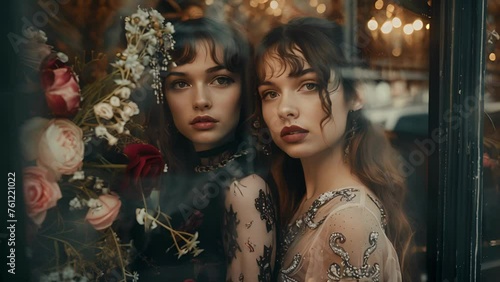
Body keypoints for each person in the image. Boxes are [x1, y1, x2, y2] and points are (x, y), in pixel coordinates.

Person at [254, 17, 413, 281]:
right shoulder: (299, 197)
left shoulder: (350, 222)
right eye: (270, 93)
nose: (284, 109)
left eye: (309, 85)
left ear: (357, 94)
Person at [130, 17, 277, 281]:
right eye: (181, 84)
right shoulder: (165, 175)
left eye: (220, 80)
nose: (200, 101)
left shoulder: (246, 189)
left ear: (245, 90)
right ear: (163, 95)